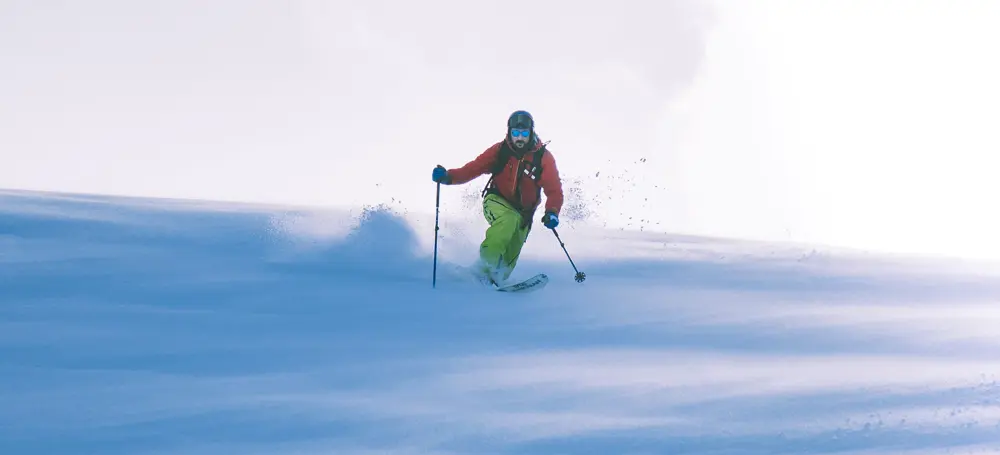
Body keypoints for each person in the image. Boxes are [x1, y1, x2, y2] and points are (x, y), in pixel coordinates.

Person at [432, 110, 564, 286]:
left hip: (524, 216)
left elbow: (554, 190)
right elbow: (473, 168)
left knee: (505, 266)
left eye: (524, 133)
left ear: (531, 132)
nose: (519, 138)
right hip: (496, 201)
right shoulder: (500, 151)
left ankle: (493, 282)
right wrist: (448, 176)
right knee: (509, 220)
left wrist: (552, 212)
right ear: (509, 132)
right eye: (515, 133)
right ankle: (482, 269)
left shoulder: (543, 158)